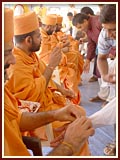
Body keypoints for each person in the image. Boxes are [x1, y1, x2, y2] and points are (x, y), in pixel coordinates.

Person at [4, 8, 94, 156]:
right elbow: (31, 97)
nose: (12, 59)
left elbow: (16, 116)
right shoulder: (17, 65)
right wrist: (68, 145)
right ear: (28, 40)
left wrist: (58, 105)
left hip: (44, 107)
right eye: (7, 53)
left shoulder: (31, 55)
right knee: (76, 128)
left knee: (79, 114)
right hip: (37, 111)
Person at [97, 4, 116, 156]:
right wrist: (104, 75)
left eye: (114, 29)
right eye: (107, 29)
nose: (110, 34)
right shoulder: (105, 33)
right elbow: (102, 58)